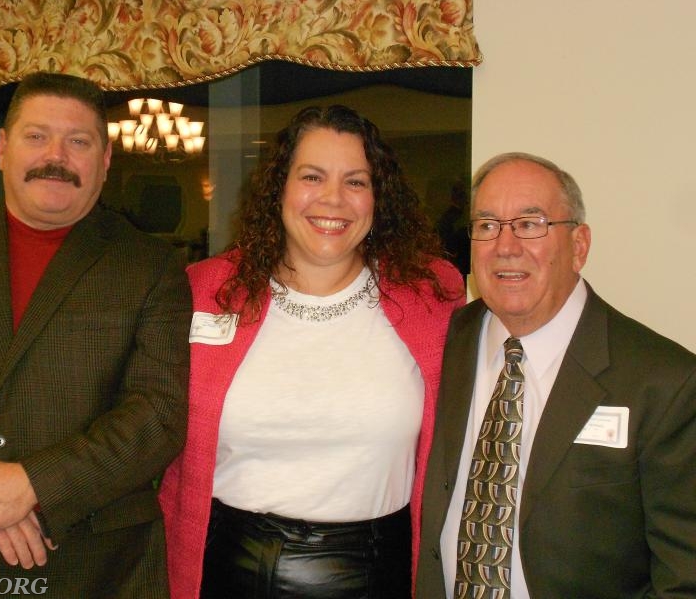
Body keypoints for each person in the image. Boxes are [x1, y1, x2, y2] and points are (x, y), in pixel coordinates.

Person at [0, 72, 191, 598]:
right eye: (36, 136)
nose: (56, 155)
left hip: (94, 562)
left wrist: (32, 485)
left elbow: (159, 412)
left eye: (78, 141)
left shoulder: (150, 266)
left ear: (103, 162)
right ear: (3, 149)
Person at [158, 104, 465, 599]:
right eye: (312, 176)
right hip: (225, 571)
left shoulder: (434, 293)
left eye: (356, 182)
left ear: (377, 197)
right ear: (279, 188)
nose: (333, 199)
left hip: (376, 575)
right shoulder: (204, 291)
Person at [416, 152, 696, 598]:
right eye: (487, 225)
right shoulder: (438, 345)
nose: (505, 246)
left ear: (579, 246)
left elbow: (683, 577)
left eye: (530, 224)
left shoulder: (663, 382)